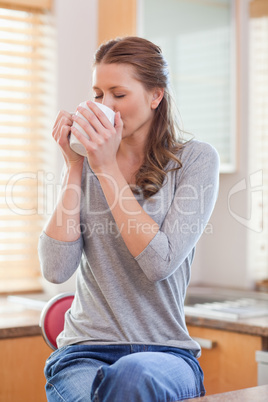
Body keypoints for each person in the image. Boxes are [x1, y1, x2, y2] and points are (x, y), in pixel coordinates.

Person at [39, 36, 219, 402]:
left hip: (166, 353)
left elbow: (159, 262)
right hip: (83, 353)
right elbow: (56, 268)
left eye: (118, 95)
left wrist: (105, 167)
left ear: (155, 96)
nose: (105, 106)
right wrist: (75, 165)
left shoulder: (194, 162)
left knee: (131, 376)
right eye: (99, 94)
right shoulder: (89, 164)